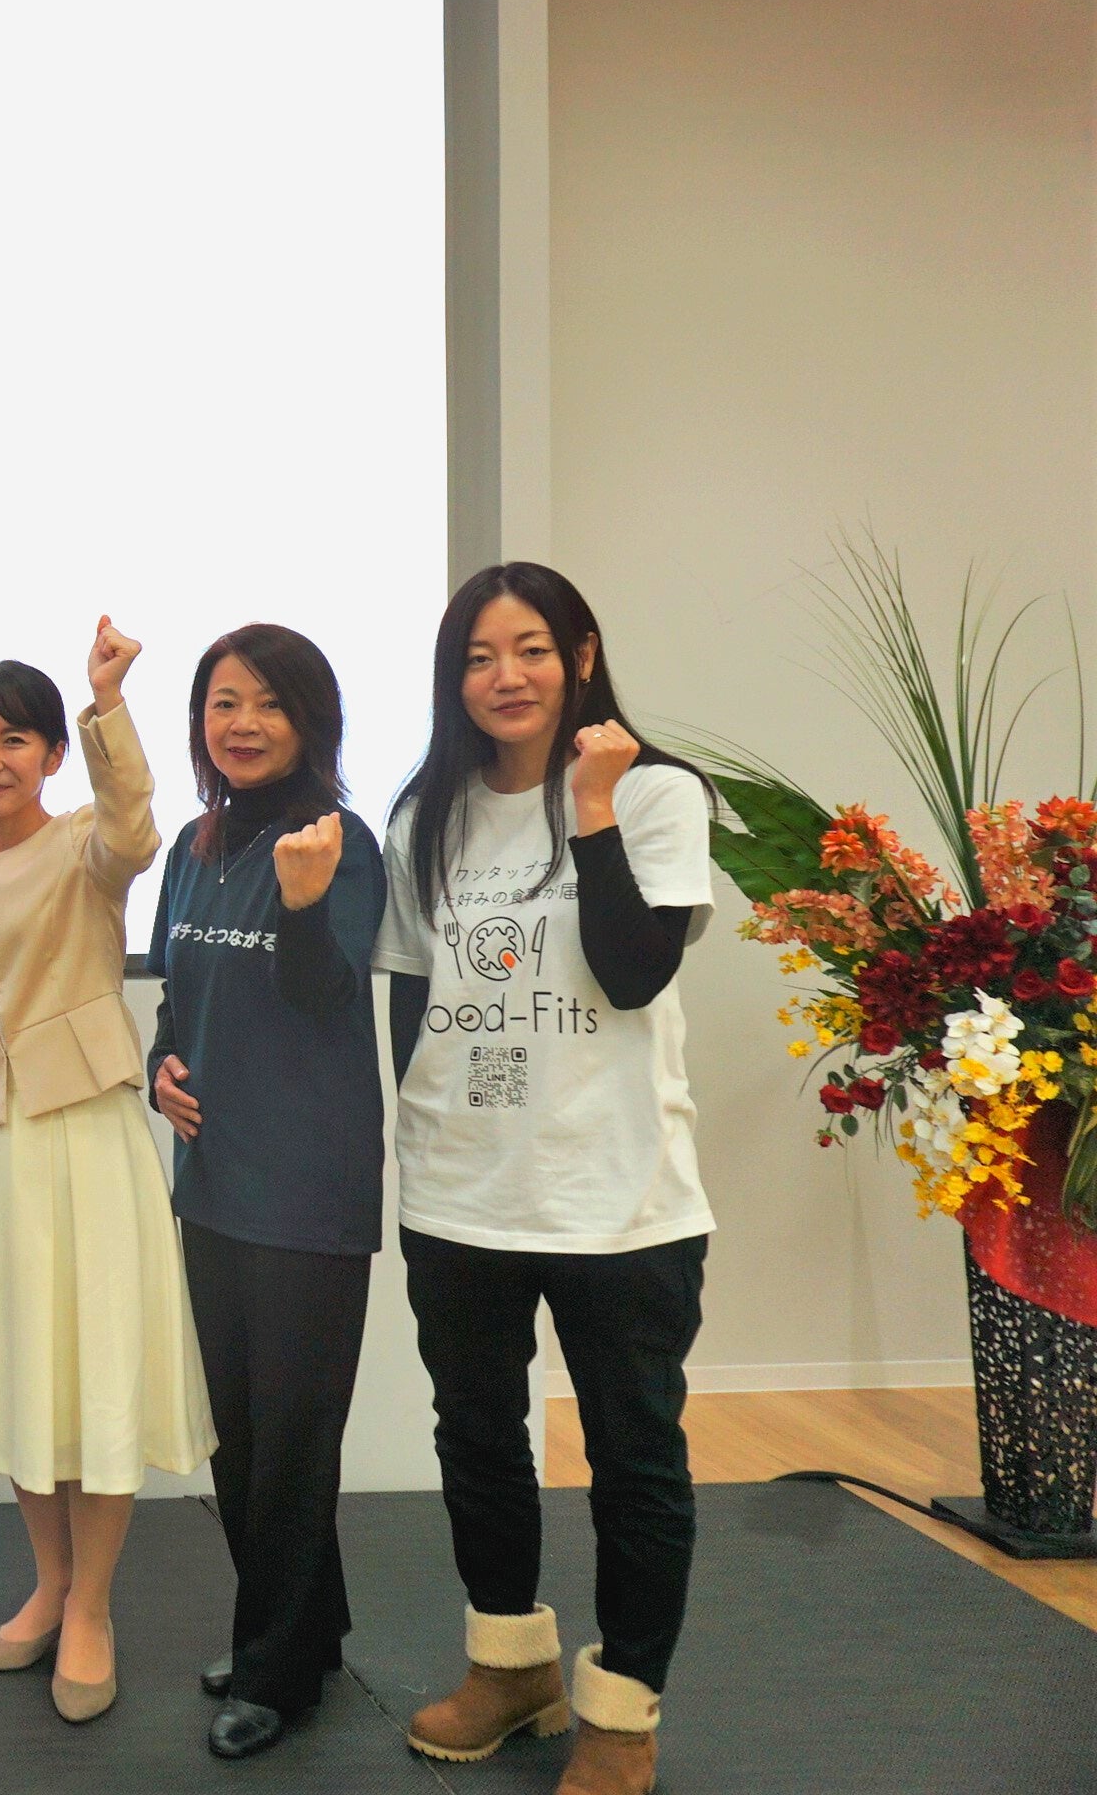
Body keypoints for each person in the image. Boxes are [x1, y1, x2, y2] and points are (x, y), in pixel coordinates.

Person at [380, 564, 713, 1795]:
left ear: (578, 653)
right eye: (476, 655)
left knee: (633, 1457)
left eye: (527, 648)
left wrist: (591, 809)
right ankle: (509, 1664)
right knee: (476, 1438)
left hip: (616, 1199)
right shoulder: (424, 817)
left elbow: (631, 972)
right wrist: (422, 1135)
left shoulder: (656, 793)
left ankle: (620, 1712)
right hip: (459, 1194)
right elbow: (412, 1003)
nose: (502, 676)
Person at [0, 626, 215, 1729]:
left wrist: (104, 703)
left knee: (97, 1372)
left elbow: (134, 821)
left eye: (12, 739)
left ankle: (92, 1608)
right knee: (21, 1376)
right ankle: (47, 1586)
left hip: (86, 1139)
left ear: (48, 754)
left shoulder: (89, 842)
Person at [144, 625, 383, 1760]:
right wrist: (160, 1064)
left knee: (290, 1440)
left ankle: (275, 1668)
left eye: (268, 704)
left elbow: (325, 993)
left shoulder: (340, 841)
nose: (241, 723)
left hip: (305, 1187)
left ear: (309, 721)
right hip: (212, 1183)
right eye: (222, 701)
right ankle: (306, 1629)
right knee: (239, 1438)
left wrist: (300, 901)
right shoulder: (193, 845)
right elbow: (174, 993)